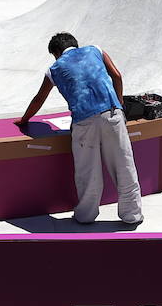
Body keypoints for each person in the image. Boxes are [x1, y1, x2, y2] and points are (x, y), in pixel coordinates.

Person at [16, 33, 143, 225]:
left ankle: (86, 216)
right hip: (112, 113)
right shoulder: (96, 50)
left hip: (84, 121)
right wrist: (120, 105)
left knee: (88, 172)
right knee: (124, 166)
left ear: (56, 53)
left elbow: (39, 98)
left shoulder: (54, 69)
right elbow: (117, 76)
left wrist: (24, 119)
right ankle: (132, 215)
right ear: (75, 44)